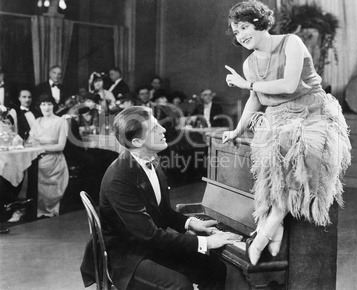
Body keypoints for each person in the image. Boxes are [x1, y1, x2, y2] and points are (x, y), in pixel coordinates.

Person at [222, 0, 351, 265]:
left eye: (244, 27)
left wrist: (247, 84)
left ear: (260, 24)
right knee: (273, 169)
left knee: (301, 156)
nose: (241, 35)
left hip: (312, 112)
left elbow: (291, 85)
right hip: (277, 117)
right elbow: (255, 99)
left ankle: (264, 234)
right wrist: (237, 129)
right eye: (236, 32)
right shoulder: (249, 64)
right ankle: (276, 228)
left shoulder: (291, 42)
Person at [80, 106, 240, 290]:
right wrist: (206, 242)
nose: (163, 130)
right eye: (155, 128)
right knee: (180, 286)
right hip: (126, 256)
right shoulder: (119, 179)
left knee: (214, 268)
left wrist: (189, 223)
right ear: (138, 141)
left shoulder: (152, 160)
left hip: (147, 245)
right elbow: (150, 235)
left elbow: (162, 212)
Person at [28, 94, 69, 218]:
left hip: (55, 162)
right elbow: (30, 142)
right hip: (38, 160)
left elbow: (61, 146)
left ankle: (48, 210)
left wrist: (40, 147)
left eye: (49, 104)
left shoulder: (61, 121)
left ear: (53, 105)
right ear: (39, 106)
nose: (46, 107)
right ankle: (30, 210)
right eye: (43, 104)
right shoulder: (37, 121)